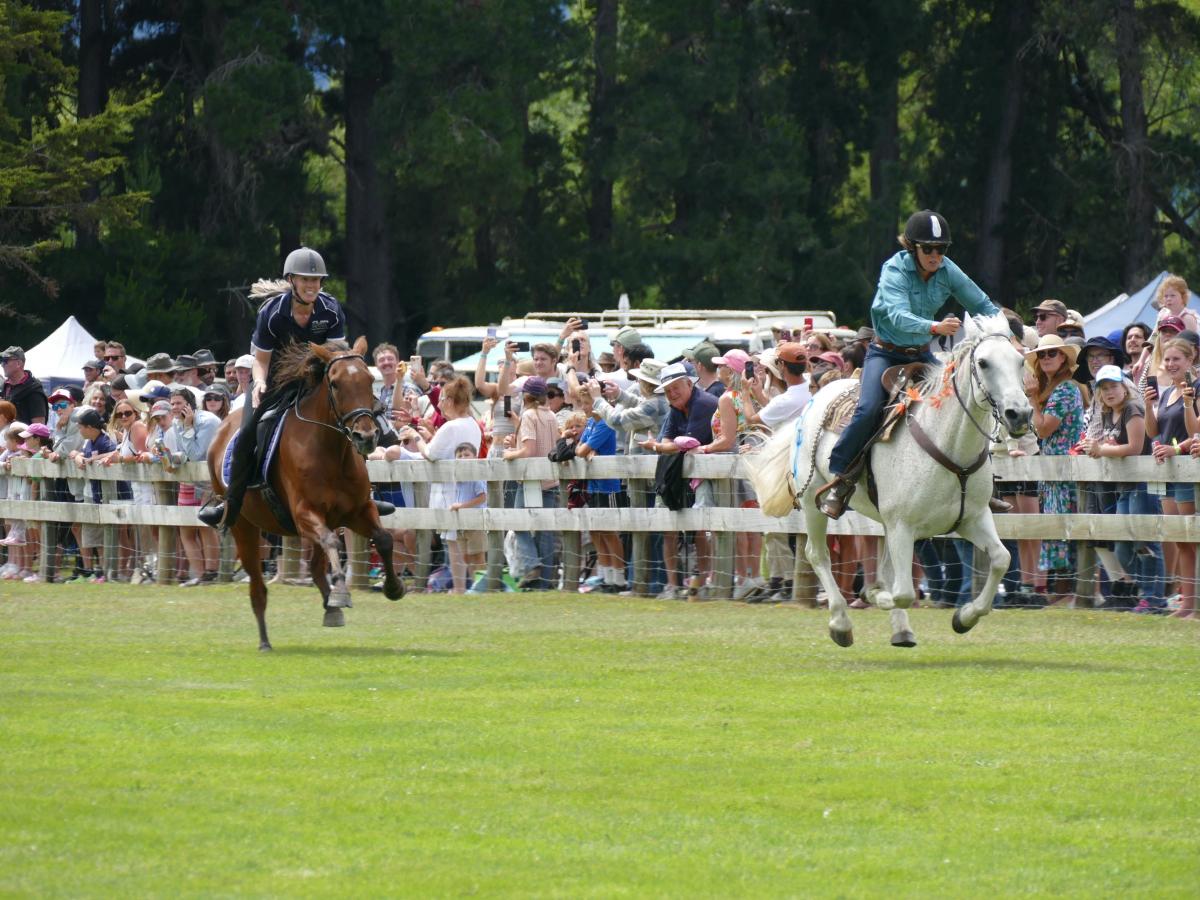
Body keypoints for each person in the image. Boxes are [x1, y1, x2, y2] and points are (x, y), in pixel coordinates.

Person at [818, 210, 1000, 518]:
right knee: (868, 409)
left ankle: (982, 485)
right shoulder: (894, 269)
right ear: (912, 247)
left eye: (941, 248)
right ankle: (841, 478)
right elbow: (898, 315)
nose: (935, 255)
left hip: (922, 353)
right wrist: (935, 327)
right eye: (928, 248)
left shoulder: (948, 269)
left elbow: (981, 303)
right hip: (885, 353)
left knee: (965, 402)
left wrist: (1005, 330)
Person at [198, 246, 347, 528]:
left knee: (356, 419)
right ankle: (231, 503)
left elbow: (336, 354)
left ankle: (363, 495)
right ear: (292, 280)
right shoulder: (272, 312)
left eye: (316, 280)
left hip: (315, 380)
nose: (312, 285)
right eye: (305, 279)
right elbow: (261, 361)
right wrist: (259, 383)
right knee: (247, 432)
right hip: (275, 381)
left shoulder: (330, 309)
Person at [639, 363, 719, 599]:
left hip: (706, 475)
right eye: (667, 390)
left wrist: (659, 446)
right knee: (669, 527)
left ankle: (703, 582)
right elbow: (670, 440)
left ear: (689, 384)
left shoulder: (703, 403)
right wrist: (665, 446)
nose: (672, 393)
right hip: (678, 473)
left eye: (676, 387)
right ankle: (673, 586)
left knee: (701, 527)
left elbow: (684, 443)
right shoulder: (676, 406)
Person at [1026, 334, 1084, 606]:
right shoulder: (1053, 388)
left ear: (1063, 358)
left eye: (1052, 353)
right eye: (1042, 354)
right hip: (1053, 468)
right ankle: (1061, 589)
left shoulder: (1065, 389)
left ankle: (1066, 590)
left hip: (1063, 468)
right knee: (1055, 527)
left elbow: (1043, 428)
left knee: (1062, 528)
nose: (1046, 358)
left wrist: (1032, 397)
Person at [1144, 337, 1199, 619]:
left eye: (1177, 359)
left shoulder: (1196, 389)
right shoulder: (1165, 394)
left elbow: (1196, 432)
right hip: (1167, 473)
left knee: (1191, 537)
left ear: (1190, 360)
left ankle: (1193, 604)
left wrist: (1176, 449)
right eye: (1167, 359)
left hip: (1188, 471)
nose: (1170, 364)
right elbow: (1153, 431)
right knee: (1179, 539)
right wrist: (1147, 405)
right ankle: (1187, 604)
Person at [447, 442, 488, 594]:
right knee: (466, 556)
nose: (463, 458)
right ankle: (475, 586)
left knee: (478, 555)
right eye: (459, 456)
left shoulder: (476, 476)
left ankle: (483, 586)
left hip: (475, 521)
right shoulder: (458, 477)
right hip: (462, 523)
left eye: (466, 455)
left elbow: (482, 497)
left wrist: (462, 506)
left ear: (475, 457)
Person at [1, 347, 48, 426]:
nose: (2, 365)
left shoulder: (33, 390)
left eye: (5, 361)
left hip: (22, 434)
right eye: (1, 361)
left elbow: (39, 427)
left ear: (18, 363)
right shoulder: (5, 386)